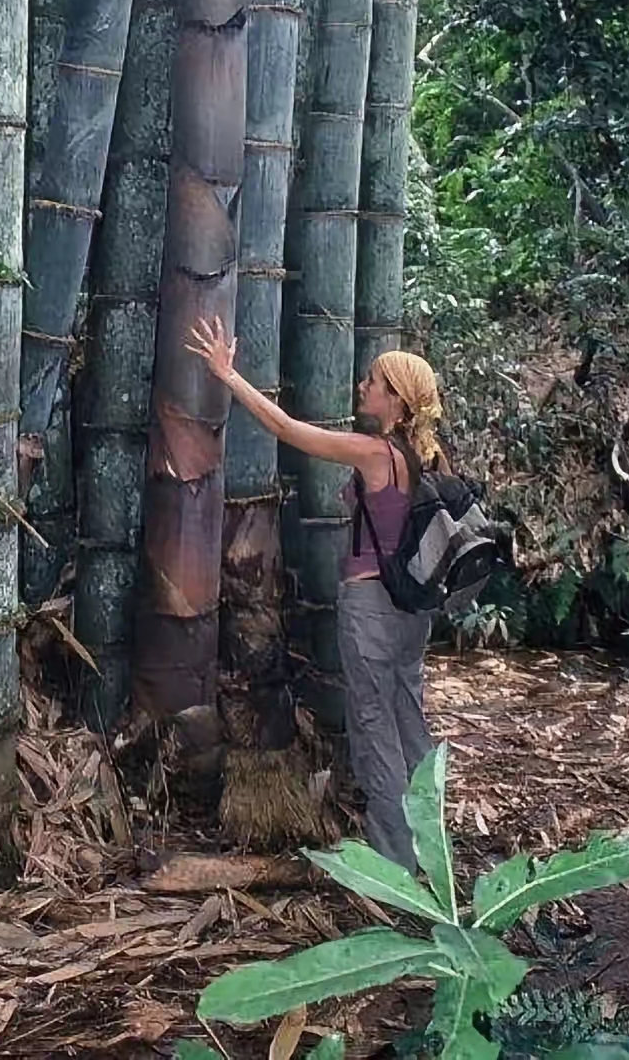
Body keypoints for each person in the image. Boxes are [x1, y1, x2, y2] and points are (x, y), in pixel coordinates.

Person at [186, 315, 446, 871]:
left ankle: (394, 867)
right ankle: (434, 853)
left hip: (373, 608)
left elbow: (284, 427)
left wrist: (227, 375)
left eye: (373, 382)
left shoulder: (376, 453)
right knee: (410, 724)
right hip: (412, 613)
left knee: (374, 727)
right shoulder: (422, 457)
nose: (362, 387)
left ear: (396, 401)